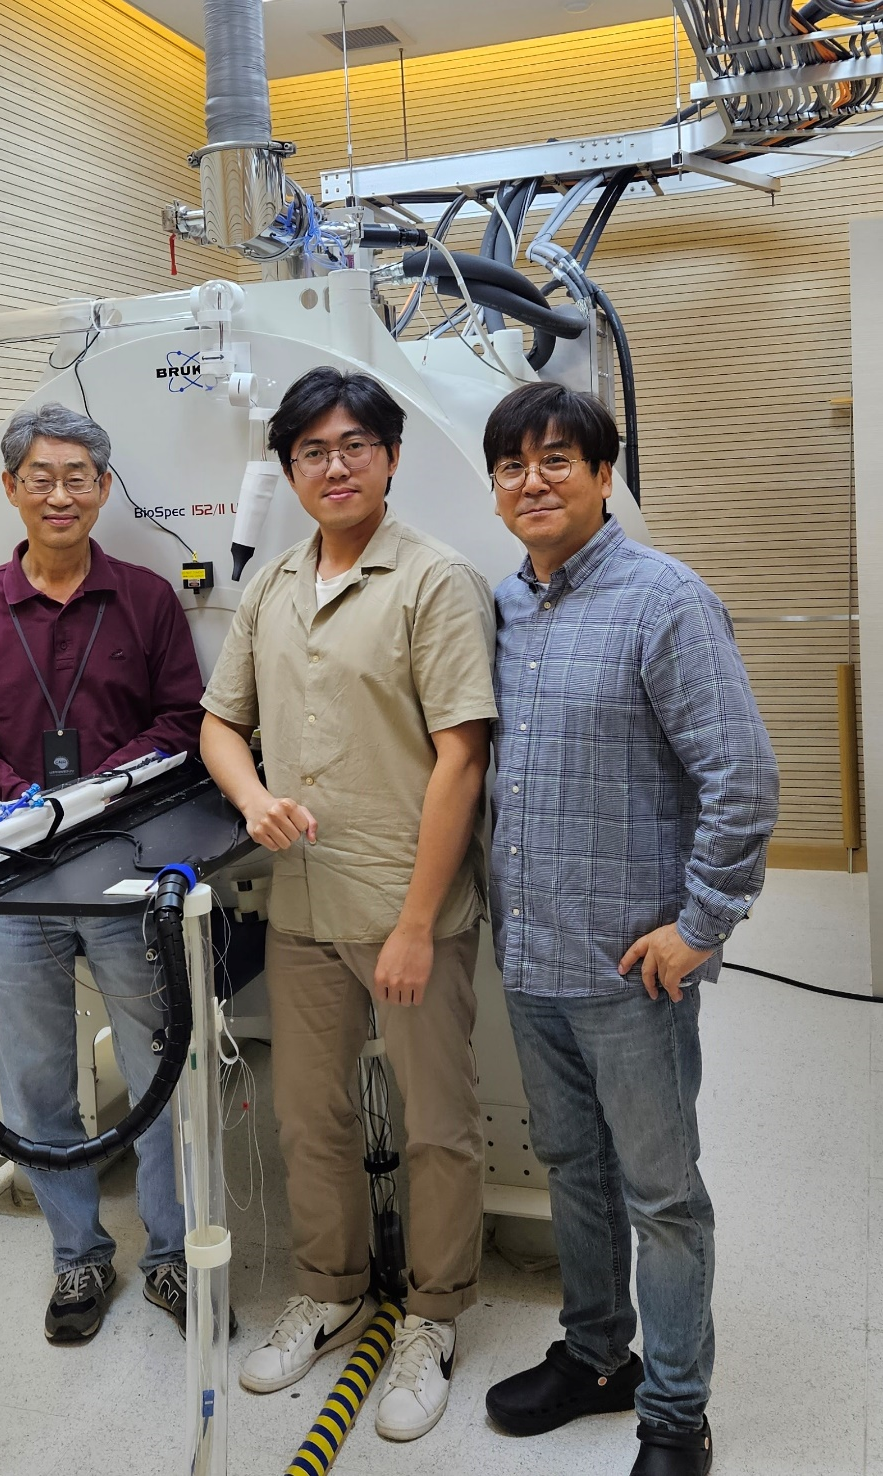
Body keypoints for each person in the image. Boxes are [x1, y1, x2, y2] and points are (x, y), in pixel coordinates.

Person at [481, 382, 778, 1476]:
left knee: (661, 1195)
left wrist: (698, 926)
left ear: (603, 476)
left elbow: (742, 778)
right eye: (512, 465)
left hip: (631, 972)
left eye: (557, 459)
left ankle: (673, 1415)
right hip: (531, 956)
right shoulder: (505, 605)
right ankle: (595, 1355)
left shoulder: (665, 601)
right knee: (570, 1166)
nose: (532, 480)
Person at [199, 366, 498, 1442]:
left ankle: (431, 1316)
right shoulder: (273, 583)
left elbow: (460, 758)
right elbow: (218, 722)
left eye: (352, 446)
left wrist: (416, 923)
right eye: (312, 451)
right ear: (286, 469)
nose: (333, 465)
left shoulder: (434, 580)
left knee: (437, 1126)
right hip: (302, 907)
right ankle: (329, 1290)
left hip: (410, 911)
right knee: (305, 1115)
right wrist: (249, 794)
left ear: (389, 457)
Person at [0, 402, 205, 1344]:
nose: (60, 492)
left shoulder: (146, 598)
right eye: (40, 477)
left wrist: (97, 799)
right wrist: (34, 808)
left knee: (156, 1064)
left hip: (124, 875)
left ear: (103, 488)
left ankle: (171, 1258)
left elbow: (179, 721)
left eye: (79, 475)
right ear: (11, 489)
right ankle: (77, 1257)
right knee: (38, 1079)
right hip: (9, 884)